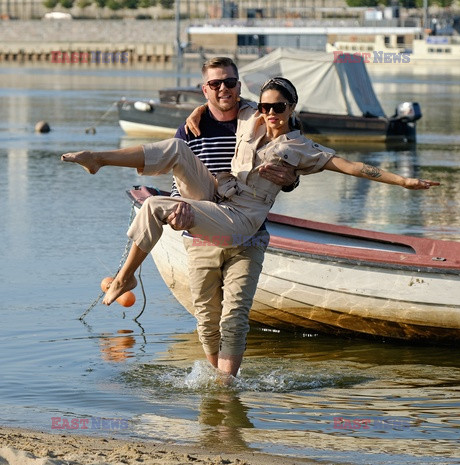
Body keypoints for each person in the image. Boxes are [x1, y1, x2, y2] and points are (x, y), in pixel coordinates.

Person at [61, 77, 439, 377]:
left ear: (291, 109)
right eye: (265, 106)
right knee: (177, 149)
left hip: (243, 219)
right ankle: (99, 158)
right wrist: (196, 110)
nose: (270, 112)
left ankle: (126, 277)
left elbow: (354, 168)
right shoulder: (250, 118)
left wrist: (404, 182)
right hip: (217, 197)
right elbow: (220, 97)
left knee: (158, 205)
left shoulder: (301, 147)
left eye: (278, 107)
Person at [166, 57, 298, 378]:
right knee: (207, 320)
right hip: (202, 234)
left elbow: (292, 156)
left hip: (248, 234)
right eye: (215, 84)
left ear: (239, 86)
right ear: (204, 89)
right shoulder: (189, 130)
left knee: (235, 316)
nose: (223, 88)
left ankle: (225, 390)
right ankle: (219, 380)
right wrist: (177, 207)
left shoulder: (260, 121)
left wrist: (290, 178)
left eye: (230, 82)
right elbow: (177, 183)